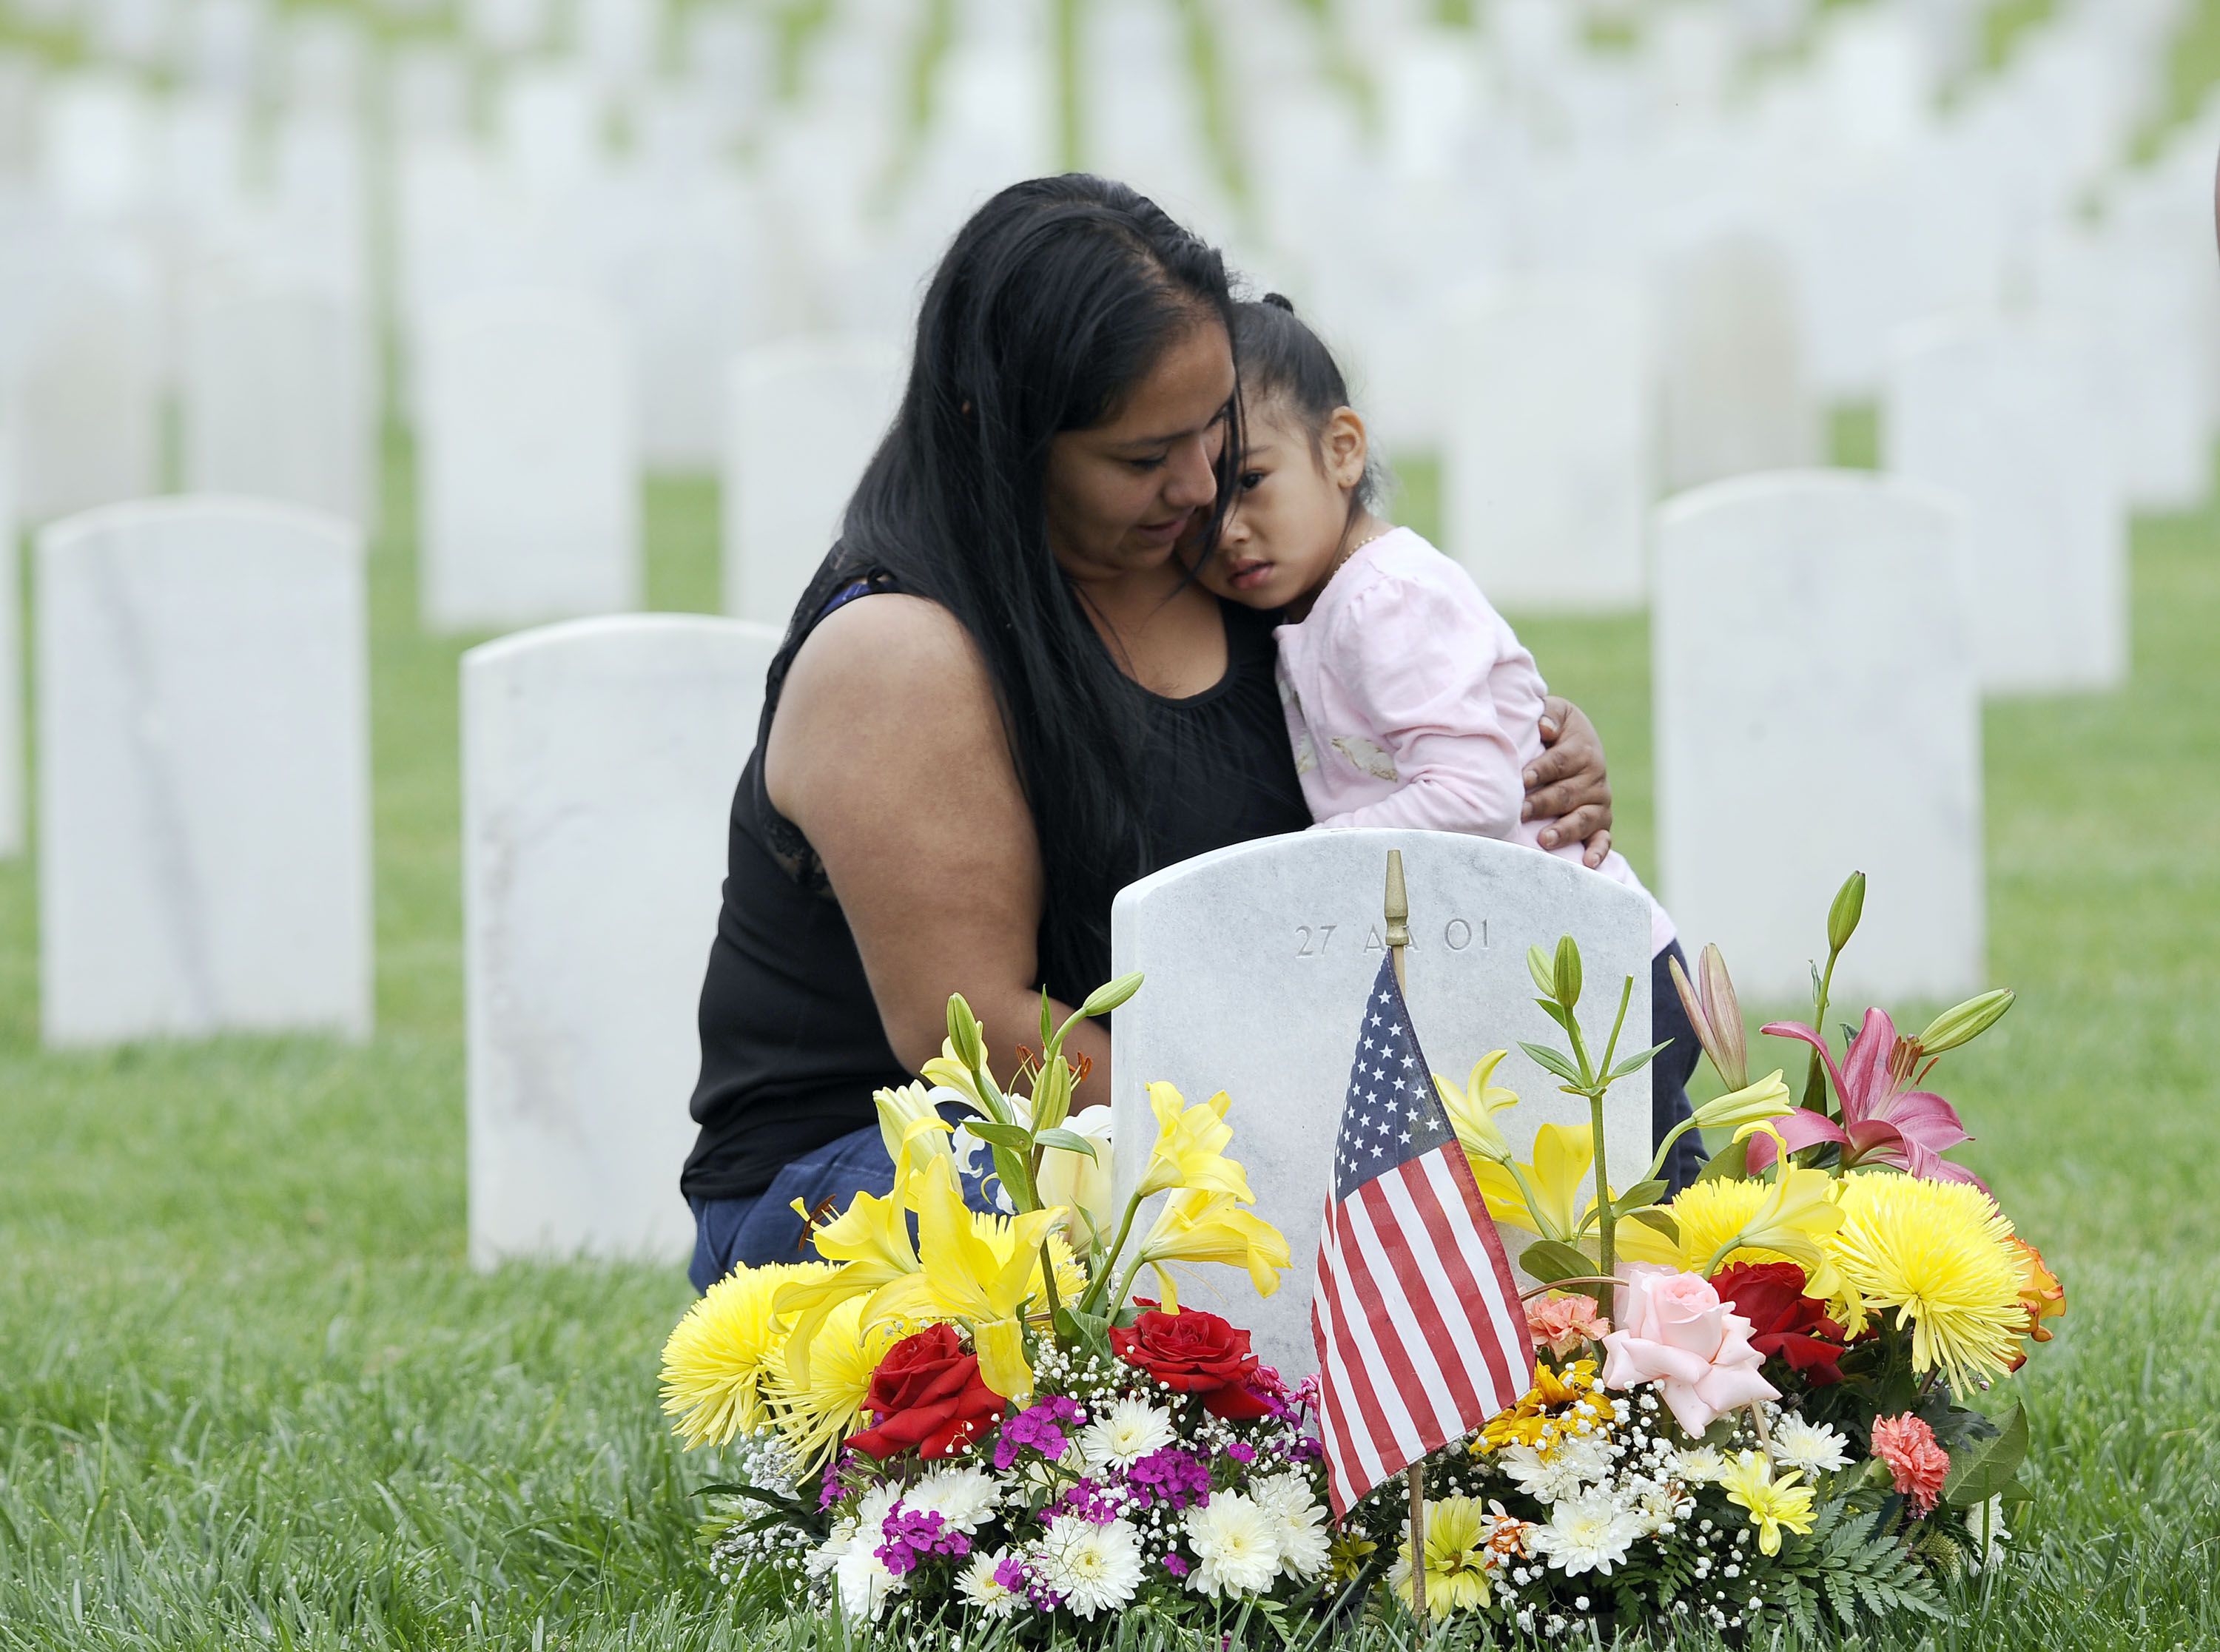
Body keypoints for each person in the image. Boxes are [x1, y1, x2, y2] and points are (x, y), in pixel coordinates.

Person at [679, 177, 1623, 1288]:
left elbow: (1403, 715)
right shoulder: (898, 653)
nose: (1199, 485)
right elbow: (980, 1030)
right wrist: (1293, 1156)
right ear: (1002, 433)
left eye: (1215, 428)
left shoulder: (1226, 553)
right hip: (898, 1178)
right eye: (1142, 457)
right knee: (1109, 1208)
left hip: (1221, 1113)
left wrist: (1530, 747)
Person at [1185, 294, 1707, 1191]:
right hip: (1530, 972)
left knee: (1641, 1215)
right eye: (1203, 508)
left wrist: (1302, 864)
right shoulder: (1321, 607)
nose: (1228, 529)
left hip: (1590, 976)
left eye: (1252, 482)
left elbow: (1473, 793)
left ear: (1341, 450)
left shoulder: (1386, 596)